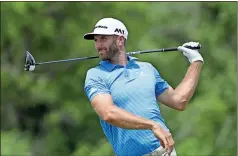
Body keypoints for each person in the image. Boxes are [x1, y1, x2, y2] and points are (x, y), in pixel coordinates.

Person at [83, 17, 204, 156]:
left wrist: (196, 62)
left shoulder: (147, 69)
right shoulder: (96, 75)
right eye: (96, 40)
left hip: (166, 152)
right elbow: (108, 113)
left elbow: (178, 101)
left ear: (120, 40)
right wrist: (152, 125)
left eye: (103, 38)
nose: (98, 45)